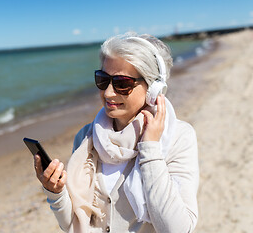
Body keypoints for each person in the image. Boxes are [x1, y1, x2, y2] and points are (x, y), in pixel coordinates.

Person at [34, 32, 199, 233]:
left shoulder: (178, 137)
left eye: (122, 83)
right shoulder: (87, 137)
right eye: (103, 79)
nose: (108, 92)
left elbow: (178, 229)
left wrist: (151, 150)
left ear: (153, 89)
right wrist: (56, 193)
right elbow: (74, 225)